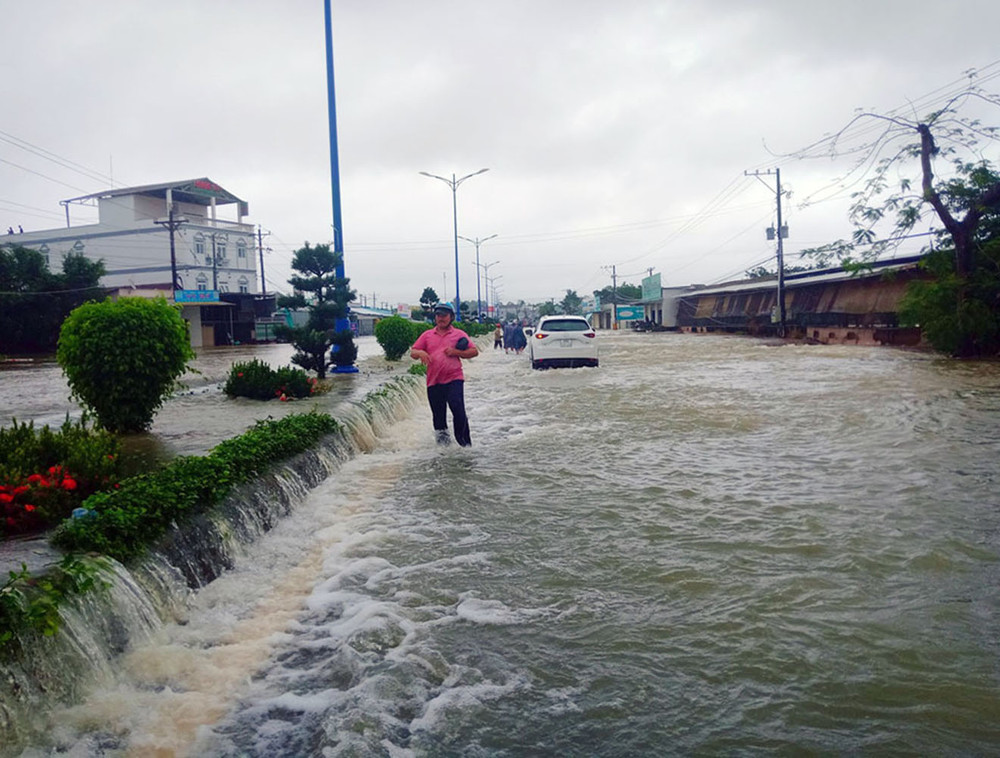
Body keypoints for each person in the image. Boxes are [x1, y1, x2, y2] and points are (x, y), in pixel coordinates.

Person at [410, 303, 479, 446]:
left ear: (451, 317)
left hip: (454, 378)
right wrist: (421, 352)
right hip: (434, 381)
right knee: (438, 416)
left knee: (458, 410)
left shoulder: (459, 334)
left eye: (444, 315)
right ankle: (444, 449)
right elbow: (413, 352)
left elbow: (474, 351)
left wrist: (456, 352)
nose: (441, 318)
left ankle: (465, 445)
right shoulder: (427, 335)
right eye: (438, 315)